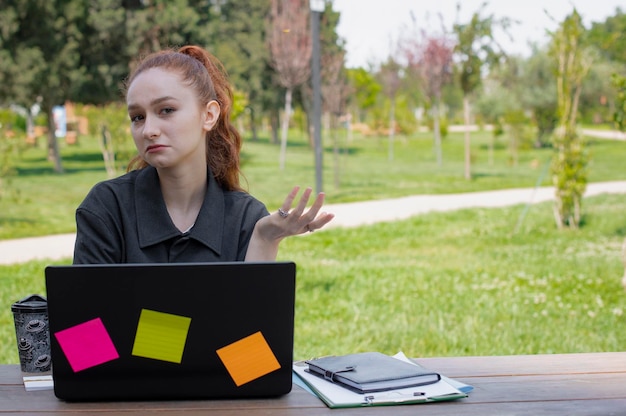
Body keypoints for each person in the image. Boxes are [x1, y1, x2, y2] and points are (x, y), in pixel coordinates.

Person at [73, 45, 334, 264]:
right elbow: (80, 323)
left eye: (166, 110)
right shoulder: (106, 208)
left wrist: (265, 240)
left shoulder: (247, 219)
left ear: (209, 115)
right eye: (137, 117)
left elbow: (253, 325)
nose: (149, 130)